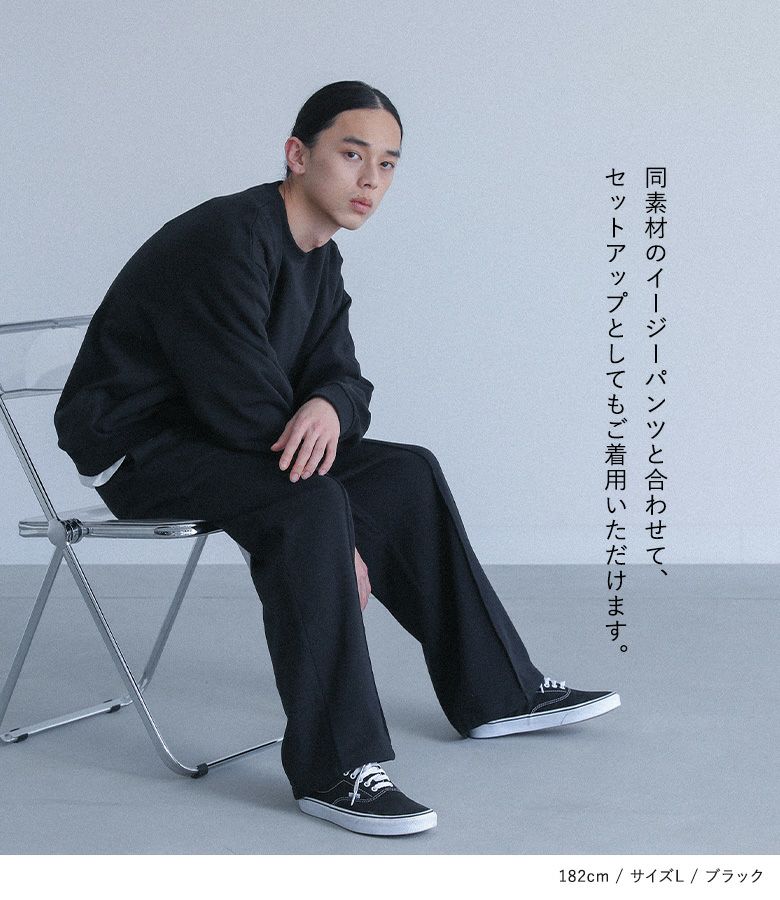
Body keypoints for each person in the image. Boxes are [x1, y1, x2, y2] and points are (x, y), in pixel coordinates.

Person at [53, 80, 620, 838]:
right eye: (352, 155)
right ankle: (334, 769)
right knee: (313, 504)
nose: (370, 181)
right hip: (142, 450)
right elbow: (242, 405)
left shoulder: (320, 257)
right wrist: (341, 529)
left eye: (387, 164)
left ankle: (497, 692)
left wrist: (326, 403)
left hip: (227, 437)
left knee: (407, 470)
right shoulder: (224, 239)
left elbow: (346, 380)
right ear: (298, 154)